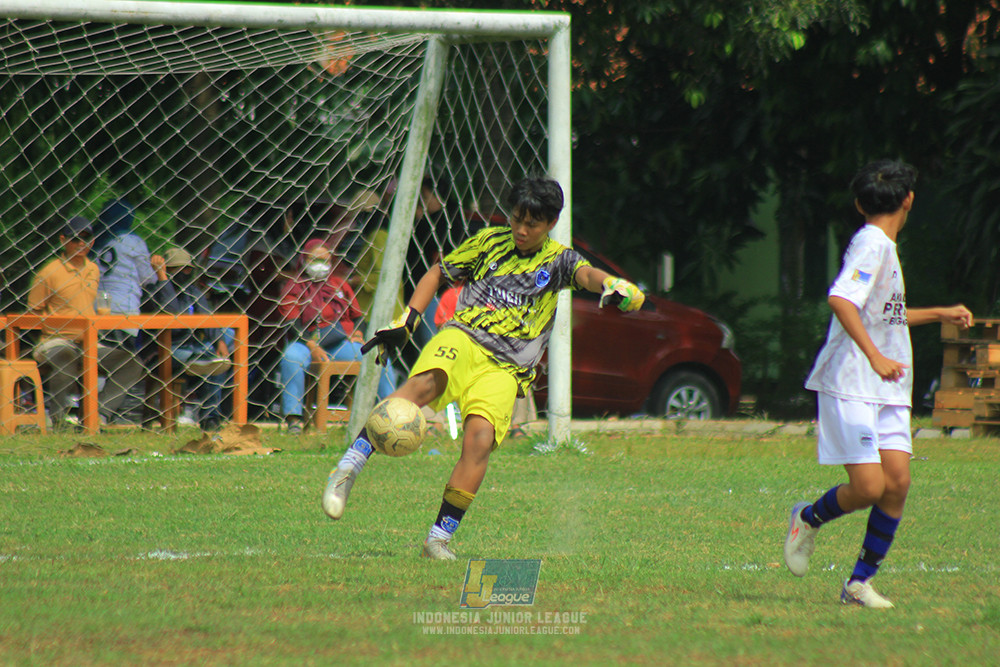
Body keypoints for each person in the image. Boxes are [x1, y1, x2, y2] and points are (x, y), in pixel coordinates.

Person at [321, 176, 645, 559]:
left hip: (506, 368)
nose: (521, 230)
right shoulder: (488, 242)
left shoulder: (559, 261)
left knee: (478, 441)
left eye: (532, 224)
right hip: (464, 337)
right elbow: (439, 273)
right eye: (516, 219)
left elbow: (588, 275)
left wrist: (613, 284)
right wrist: (409, 318)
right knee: (424, 384)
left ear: (551, 224)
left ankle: (437, 539)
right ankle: (347, 470)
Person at [783, 159, 974, 608]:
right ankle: (807, 518)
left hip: (886, 386)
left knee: (898, 482)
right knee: (869, 487)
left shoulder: (884, 246)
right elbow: (841, 299)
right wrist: (874, 355)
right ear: (909, 200)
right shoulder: (871, 245)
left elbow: (884, 315)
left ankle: (858, 584)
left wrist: (940, 313)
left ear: (858, 202)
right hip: (853, 381)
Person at [28, 215, 144, 428]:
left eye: (87, 239)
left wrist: (101, 317)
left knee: (132, 363)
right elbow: (32, 313)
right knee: (66, 358)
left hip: (88, 341)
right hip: (54, 340)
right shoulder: (49, 272)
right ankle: (57, 421)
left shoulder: (93, 269)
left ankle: (97, 416)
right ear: (63, 240)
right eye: (76, 239)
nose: (82, 244)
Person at [278, 240, 397, 435]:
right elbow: (291, 324)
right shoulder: (294, 287)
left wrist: (359, 333)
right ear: (303, 260)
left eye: (325, 260)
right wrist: (312, 346)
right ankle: (294, 420)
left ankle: (393, 413)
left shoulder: (338, 284)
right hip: (306, 343)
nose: (320, 265)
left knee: (377, 354)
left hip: (341, 343)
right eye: (314, 260)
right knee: (290, 358)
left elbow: (358, 316)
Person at [147, 247, 234, 431]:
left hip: (193, 347)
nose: (183, 273)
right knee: (207, 359)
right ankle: (200, 361)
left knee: (218, 359)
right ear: (166, 270)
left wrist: (219, 341)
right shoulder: (154, 290)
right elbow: (171, 312)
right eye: (176, 269)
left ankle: (210, 418)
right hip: (164, 350)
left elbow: (207, 317)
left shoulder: (193, 291)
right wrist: (163, 279)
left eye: (186, 269)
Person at [93, 198, 167, 341]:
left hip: (96, 307)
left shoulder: (94, 241)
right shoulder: (132, 241)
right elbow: (148, 278)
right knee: (122, 357)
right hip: (124, 308)